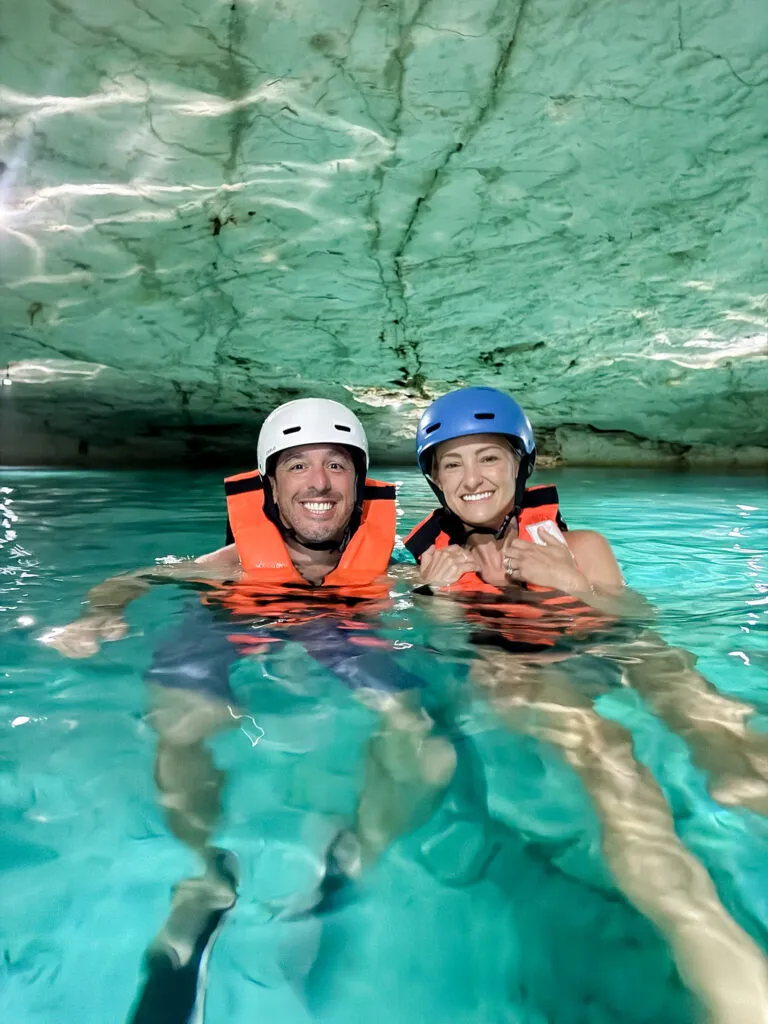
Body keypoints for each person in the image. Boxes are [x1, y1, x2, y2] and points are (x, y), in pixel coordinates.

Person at [48, 398, 454, 1024]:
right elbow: (135, 578)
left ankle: (353, 855)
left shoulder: (395, 572)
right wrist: (99, 614)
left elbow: (464, 611)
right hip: (237, 624)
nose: (318, 484)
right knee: (182, 719)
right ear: (270, 483)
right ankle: (207, 875)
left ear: (360, 481)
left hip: (344, 628)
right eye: (297, 467)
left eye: (336, 467)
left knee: (430, 750)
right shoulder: (230, 565)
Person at [404, 386, 768, 1024]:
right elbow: (436, 662)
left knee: (700, 702)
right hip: (524, 671)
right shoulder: (430, 573)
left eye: (489, 457)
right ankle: (714, 952)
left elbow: (634, 621)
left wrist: (574, 584)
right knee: (609, 755)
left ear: (522, 465)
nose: (473, 477)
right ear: (434, 480)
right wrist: (433, 603)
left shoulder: (587, 547)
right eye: (452, 463)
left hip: (607, 643)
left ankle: (750, 784)